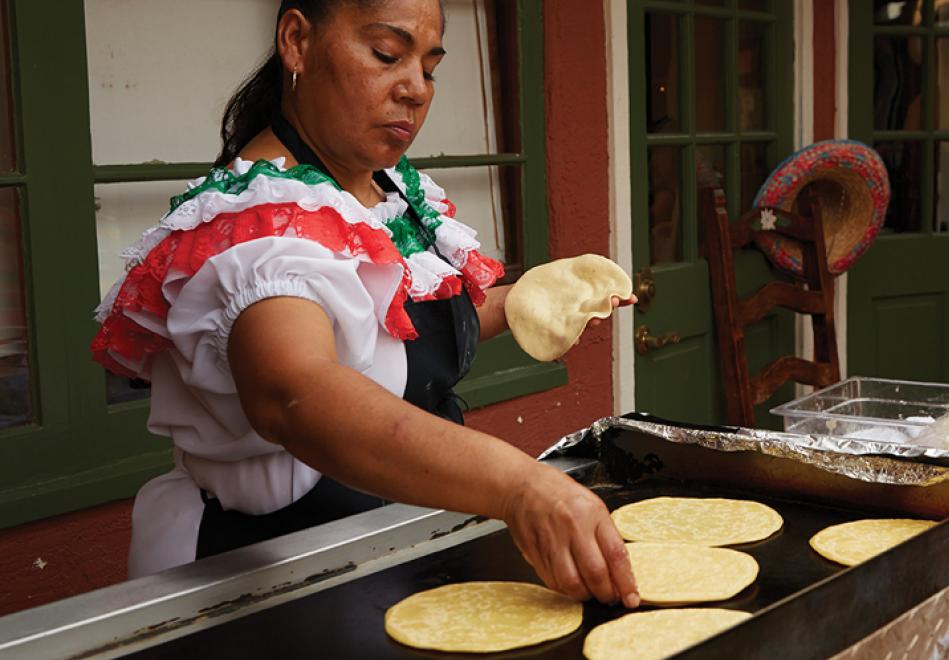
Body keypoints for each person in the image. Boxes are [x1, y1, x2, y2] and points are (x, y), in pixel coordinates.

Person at [90, 0, 639, 609]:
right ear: (296, 41)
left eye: (429, 69)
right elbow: (297, 395)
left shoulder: (386, 191)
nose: (415, 90)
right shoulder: (258, 222)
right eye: (386, 54)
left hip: (390, 545)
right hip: (273, 579)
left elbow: (388, 333)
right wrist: (518, 485)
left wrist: (527, 299)